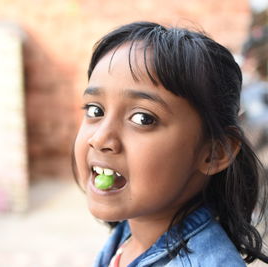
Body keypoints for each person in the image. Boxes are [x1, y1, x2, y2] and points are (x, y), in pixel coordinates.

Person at [72, 21, 268, 266]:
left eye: (143, 118)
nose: (99, 138)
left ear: (215, 152)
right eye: (95, 109)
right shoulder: (130, 232)